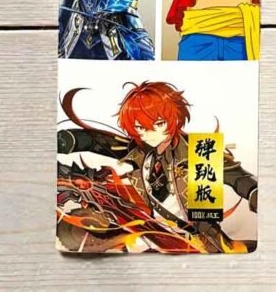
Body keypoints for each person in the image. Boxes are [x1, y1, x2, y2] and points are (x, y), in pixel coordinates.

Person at [57, 83, 258, 254]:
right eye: (140, 128)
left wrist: (254, 192)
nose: (149, 134)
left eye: (158, 124)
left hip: (202, 240)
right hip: (156, 234)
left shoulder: (199, 151)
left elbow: (236, 176)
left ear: (174, 118)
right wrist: (69, 140)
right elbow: (99, 142)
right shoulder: (140, 151)